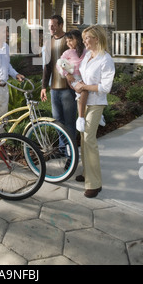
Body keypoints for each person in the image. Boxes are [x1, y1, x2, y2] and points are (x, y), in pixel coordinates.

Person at [74, 25, 115, 198]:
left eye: (86, 39)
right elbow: (82, 76)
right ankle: (86, 173)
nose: (84, 42)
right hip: (83, 102)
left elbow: (105, 87)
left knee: (89, 139)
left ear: (96, 39)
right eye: (83, 39)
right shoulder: (88, 57)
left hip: (96, 103)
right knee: (83, 138)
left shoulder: (106, 59)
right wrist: (78, 83)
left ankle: (94, 183)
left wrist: (84, 86)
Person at [41, 15, 77, 137]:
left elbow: (77, 61)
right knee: (58, 123)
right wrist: (44, 87)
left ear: (61, 25)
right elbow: (47, 66)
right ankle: (63, 150)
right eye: (49, 26)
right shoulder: (48, 42)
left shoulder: (69, 40)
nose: (51, 28)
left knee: (69, 123)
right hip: (54, 89)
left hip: (68, 88)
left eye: (53, 25)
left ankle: (71, 153)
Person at [56, 29, 87, 132]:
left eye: (70, 40)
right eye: (67, 41)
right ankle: (81, 118)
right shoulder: (68, 52)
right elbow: (59, 64)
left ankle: (98, 116)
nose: (68, 43)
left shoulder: (86, 51)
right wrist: (67, 74)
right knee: (82, 92)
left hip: (86, 77)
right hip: (75, 78)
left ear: (78, 39)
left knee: (91, 94)